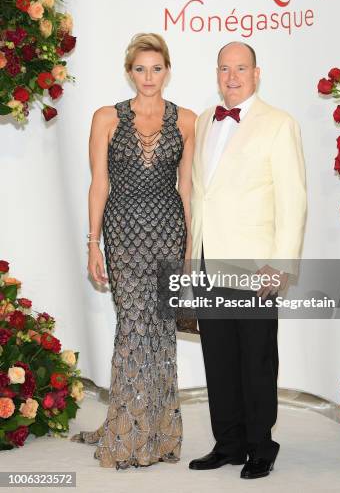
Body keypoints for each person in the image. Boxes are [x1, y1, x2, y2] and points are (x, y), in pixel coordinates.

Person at [71, 33, 196, 469]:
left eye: (156, 68)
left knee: (161, 332)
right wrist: (93, 243)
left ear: (167, 70)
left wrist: (190, 249)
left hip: (168, 234)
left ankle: (159, 434)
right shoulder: (106, 117)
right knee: (132, 327)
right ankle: (126, 434)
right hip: (123, 235)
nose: (148, 77)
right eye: (140, 69)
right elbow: (99, 183)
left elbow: (186, 189)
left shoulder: (187, 120)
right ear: (129, 72)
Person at [189, 41, 307, 479]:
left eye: (241, 68)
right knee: (217, 358)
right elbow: (204, 197)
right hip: (207, 261)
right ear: (216, 74)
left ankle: (261, 444)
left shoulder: (279, 123)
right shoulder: (204, 121)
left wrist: (280, 263)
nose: (232, 77)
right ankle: (229, 442)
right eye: (224, 68)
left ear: (257, 74)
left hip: (256, 266)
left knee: (256, 358)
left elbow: (294, 201)